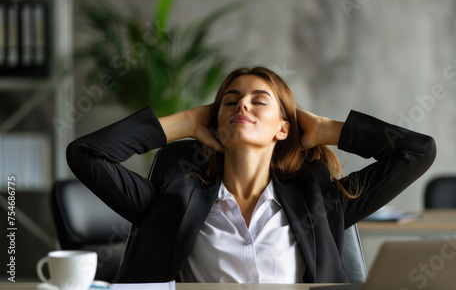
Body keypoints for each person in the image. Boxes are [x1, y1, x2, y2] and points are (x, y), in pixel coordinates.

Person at [66, 66, 436, 284]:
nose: (242, 103)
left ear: (283, 128)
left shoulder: (319, 198)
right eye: (230, 101)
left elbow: (417, 151)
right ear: (214, 122)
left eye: (259, 100)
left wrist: (326, 129)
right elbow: (86, 154)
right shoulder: (173, 199)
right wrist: (184, 121)